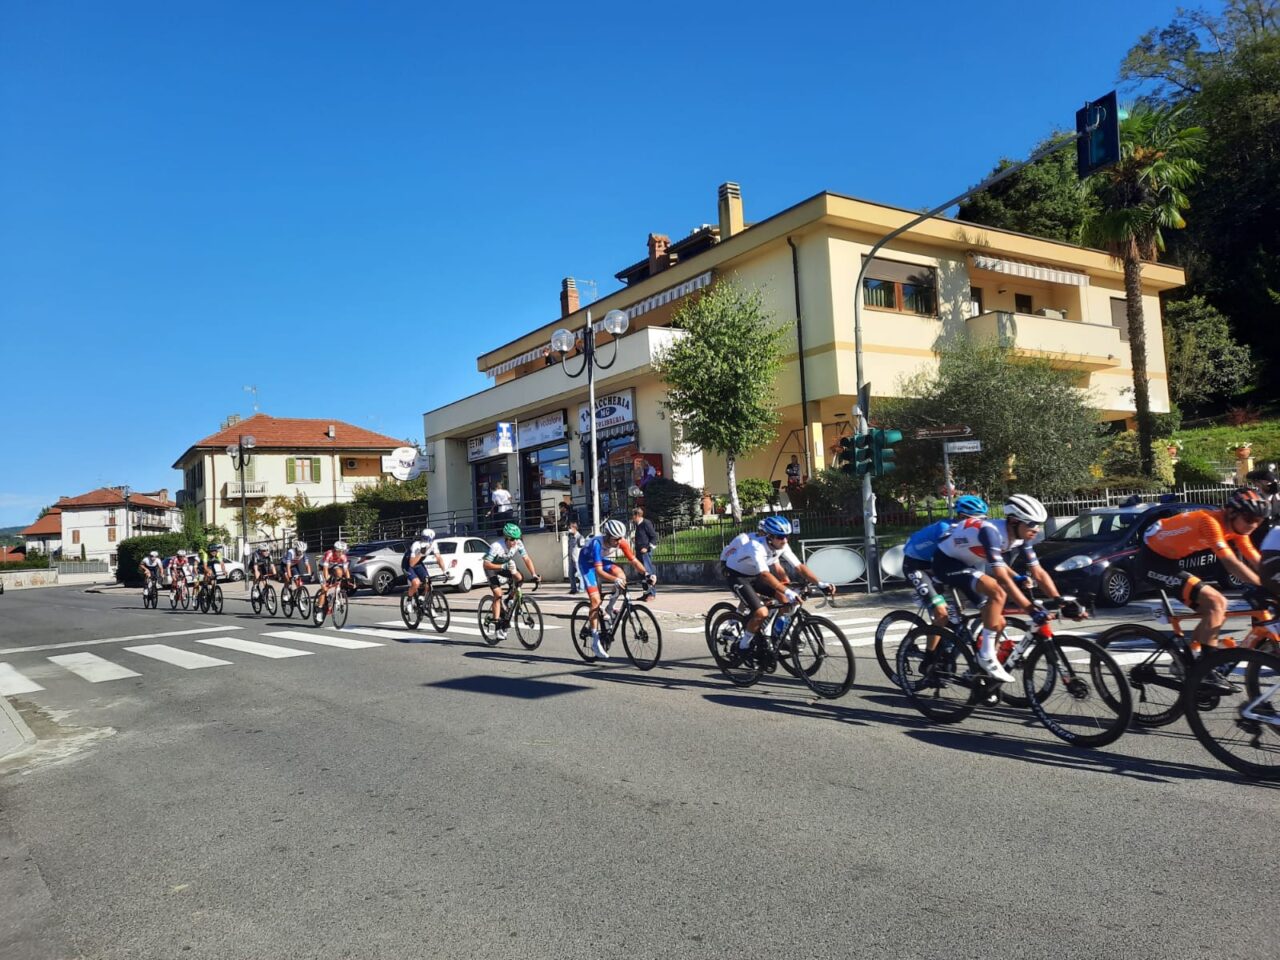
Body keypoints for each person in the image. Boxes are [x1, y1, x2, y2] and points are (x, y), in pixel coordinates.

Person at [932, 494, 1083, 683]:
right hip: (946, 563)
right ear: (1013, 521)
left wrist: (1059, 600)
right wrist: (1029, 608)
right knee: (997, 591)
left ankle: (978, 669)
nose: (1036, 529)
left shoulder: (1022, 536)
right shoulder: (990, 531)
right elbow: (1001, 577)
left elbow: (1038, 572)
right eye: (1031, 524)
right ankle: (986, 656)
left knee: (998, 619)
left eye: (1038, 524)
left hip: (967, 565)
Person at [1139, 488, 1268, 653]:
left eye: (1259, 520)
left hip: (1171, 561)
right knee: (1217, 602)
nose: (1254, 525)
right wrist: (1265, 586)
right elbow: (1231, 564)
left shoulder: (1237, 529)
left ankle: (1193, 655)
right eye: (1250, 518)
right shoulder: (1210, 522)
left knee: (1213, 611)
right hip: (1152, 562)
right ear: (1231, 512)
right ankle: (1207, 665)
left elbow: (1256, 560)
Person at [718, 515, 834, 663]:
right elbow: (766, 574)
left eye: (786, 536)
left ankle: (773, 635)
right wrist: (786, 590)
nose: (784, 540)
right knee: (761, 612)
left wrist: (820, 583)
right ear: (769, 536)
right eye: (780, 537)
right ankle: (743, 646)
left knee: (784, 601)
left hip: (754, 575)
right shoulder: (755, 546)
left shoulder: (781, 545)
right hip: (737, 575)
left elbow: (799, 567)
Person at [901, 495, 988, 632]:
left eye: (983, 520)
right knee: (941, 613)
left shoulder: (971, 533)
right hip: (917, 566)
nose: (980, 524)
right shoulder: (945, 529)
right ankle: (931, 652)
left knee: (984, 606)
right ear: (961, 517)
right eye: (976, 520)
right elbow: (942, 560)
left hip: (940, 565)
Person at [577, 518, 654, 659]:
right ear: (607, 536)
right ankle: (595, 640)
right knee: (595, 600)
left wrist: (647, 573)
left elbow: (635, 561)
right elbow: (599, 572)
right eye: (615, 540)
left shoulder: (621, 542)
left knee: (621, 575)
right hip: (586, 564)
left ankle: (609, 608)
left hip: (600, 561)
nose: (619, 542)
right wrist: (615, 580)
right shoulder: (597, 544)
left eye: (620, 539)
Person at [481, 523, 540, 641]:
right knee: (498, 594)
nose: (515, 542)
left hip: (506, 566)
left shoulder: (518, 543)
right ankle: (497, 627)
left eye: (517, 538)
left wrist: (533, 573)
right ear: (506, 538)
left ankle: (509, 600)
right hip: (492, 568)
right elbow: (486, 564)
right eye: (512, 539)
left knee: (520, 578)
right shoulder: (496, 546)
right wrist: (502, 566)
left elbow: (526, 559)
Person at [403, 528, 444, 606]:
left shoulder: (433, 544)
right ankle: (409, 600)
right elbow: (411, 564)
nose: (425, 541)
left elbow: (439, 558)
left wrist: (444, 571)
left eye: (427, 539)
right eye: (424, 538)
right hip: (407, 564)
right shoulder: (416, 545)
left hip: (418, 564)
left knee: (428, 582)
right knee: (416, 583)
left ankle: (422, 597)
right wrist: (421, 553)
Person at [631, 507, 659, 601]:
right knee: (642, 574)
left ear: (637, 515)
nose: (632, 518)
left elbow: (654, 537)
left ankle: (652, 594)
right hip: (639, 552)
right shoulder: (638, 525)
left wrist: (647, 548)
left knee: (648, 573)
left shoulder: (646, 523)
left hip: (645, 553)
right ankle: (645, 593)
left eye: (633, 516)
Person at [317, 540, 351, 612]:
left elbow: (346, 570)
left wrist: (348, 579)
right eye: (339, 551)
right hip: (322, 568)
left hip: (333, 567)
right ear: (335, 550)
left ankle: (335, 593)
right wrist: (326, 579)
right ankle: (319, 609)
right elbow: (325, 569)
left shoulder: (343, 557)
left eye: (343, 551)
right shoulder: (329, 554)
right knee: (324, 589)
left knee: (339, 572)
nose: (341, 553)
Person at [566, 520, 585, 595]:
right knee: (571, 574)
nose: (569, 529)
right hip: (571, 558)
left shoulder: (580, 537)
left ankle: (581, 588)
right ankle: (573, 589)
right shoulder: (570, 537)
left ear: (574, 528)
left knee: (580, 574)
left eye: (570, 528)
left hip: (577, 558)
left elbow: (582, 548)